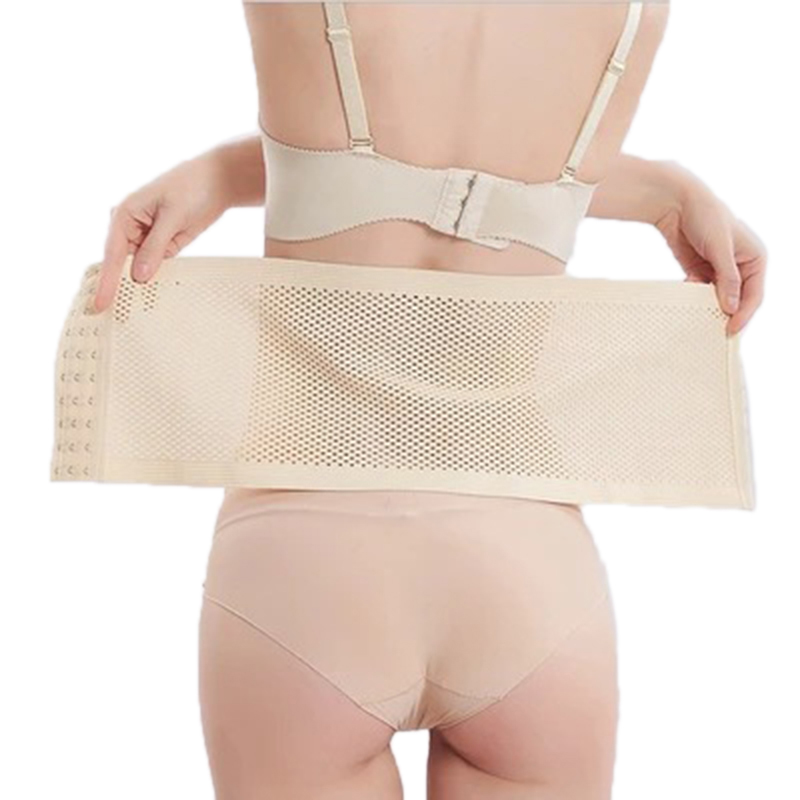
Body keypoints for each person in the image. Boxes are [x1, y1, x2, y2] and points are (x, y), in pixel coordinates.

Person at [90, 3, 766, 799]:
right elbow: (512, 178)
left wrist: (218, 172)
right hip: (527, 562)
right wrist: (669, 190)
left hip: (304, 556)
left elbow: (371, 139)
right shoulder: (634, 14)